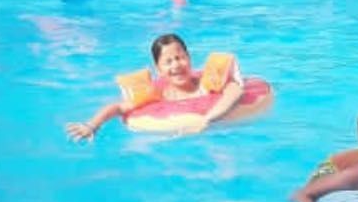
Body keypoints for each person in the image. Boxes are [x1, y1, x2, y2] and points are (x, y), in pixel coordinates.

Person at [65, 33, 244, 141]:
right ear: (158, 69)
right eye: (168, 61)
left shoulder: (206, 84)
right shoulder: (159, 94)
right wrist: (92, 125)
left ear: (189, 58)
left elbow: (235, 91)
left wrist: (207, 120)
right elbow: (118, 107)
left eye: (180, 58)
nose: (176, 65)